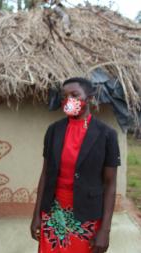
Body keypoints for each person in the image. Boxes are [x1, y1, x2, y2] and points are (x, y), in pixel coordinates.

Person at [30, 77, 120, 253]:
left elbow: (110, 184)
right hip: (53, 212)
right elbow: (45, 175)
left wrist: (105, 230)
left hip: (86, 215)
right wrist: (36, 216)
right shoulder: (54, 131)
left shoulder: (107, 134)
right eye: (64, 96)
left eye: (74, 94)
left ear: (89, 98)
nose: (68, 100)